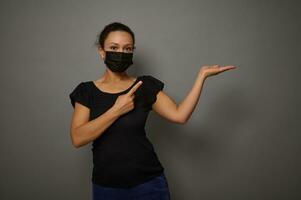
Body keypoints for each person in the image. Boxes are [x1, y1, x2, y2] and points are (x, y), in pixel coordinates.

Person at [69, 22, 236, 200]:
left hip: (148, 184)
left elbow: (180, 115)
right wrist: (116, 110)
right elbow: (78, 138)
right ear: (101, 51)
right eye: (114, 47)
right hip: (106, 187)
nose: (121, 53)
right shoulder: (87, 91)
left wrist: (201, 76)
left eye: (127, 49)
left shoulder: (144, 86)